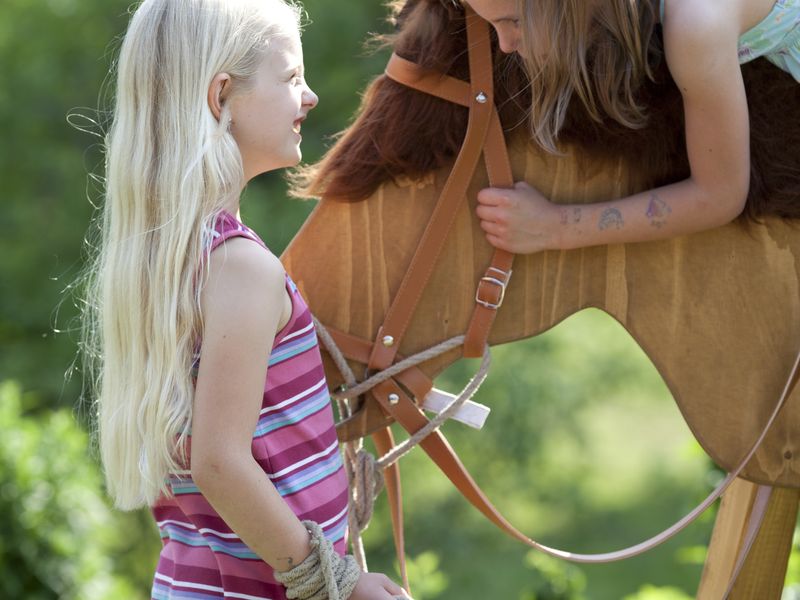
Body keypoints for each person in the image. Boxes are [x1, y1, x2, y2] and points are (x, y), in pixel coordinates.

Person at [81, 0, 408, 598]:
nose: (308, 97)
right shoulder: (242, 267)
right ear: (220, 96)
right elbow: (220, 463)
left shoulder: (168, 256)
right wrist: (341, 583)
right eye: (290, 79)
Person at [467, 0, 800, 254]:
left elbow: (720, 195)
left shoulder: (697, 24)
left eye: (514, 21)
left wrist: (556, 228)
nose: (506, 44)